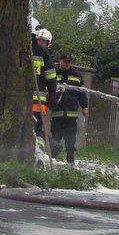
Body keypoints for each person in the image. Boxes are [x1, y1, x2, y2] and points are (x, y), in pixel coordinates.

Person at [50, 54, 89, 164]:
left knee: (70, 142)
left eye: (69, 62)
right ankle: (52, 162)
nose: (67, 64)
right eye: (65, 61)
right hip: (57, 114)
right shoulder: (53, 73)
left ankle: (70, 163)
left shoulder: (77, 75)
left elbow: (82, 93)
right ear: (59, 61)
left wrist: (84, 106)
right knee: (55, 140)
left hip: (71, 116)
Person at [31, 26, 57, 155]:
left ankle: (38, 152)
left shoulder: (30, 50)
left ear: (48, 43)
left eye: (43, 41)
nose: (41, 43)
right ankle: (38, 152)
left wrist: (52, 95)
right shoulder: (43, 53)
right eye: (39, 40)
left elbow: (51, 77)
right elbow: (51, 77)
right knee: (35, 129)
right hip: (36, 101)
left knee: (35, 128)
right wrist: (53, 95)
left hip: (36, 101)